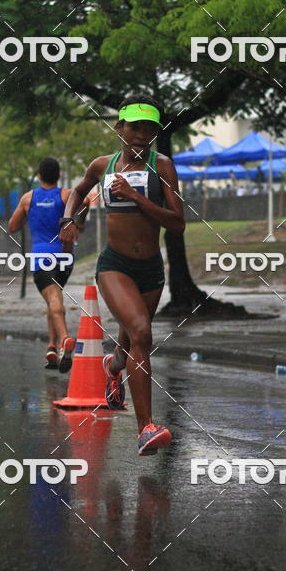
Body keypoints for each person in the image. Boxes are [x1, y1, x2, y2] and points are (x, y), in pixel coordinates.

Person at [59, 95, 185, 456]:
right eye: (135, 127)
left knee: (130, 341)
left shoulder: (163, 167)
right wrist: (70, 219)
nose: (142, 134)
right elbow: (78, 192)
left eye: (150, 128)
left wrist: (137, 196)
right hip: (114, 266)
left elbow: (177, 224)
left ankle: (113, 368)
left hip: (151, 270)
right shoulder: (103, 165)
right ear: (120, 128)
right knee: (142, 333)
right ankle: (145, 427)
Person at [9, 158, 87, 372]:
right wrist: (76, 224)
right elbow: (87, 199)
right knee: (54, 299)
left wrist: (30, 214)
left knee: (53, 299)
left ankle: (64, 339)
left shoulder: (28, 198)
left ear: (39, 176)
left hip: (41, 257)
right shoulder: (66, 195)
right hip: (64, 256)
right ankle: (51, 348)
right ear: (59, 175)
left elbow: (13, 226)